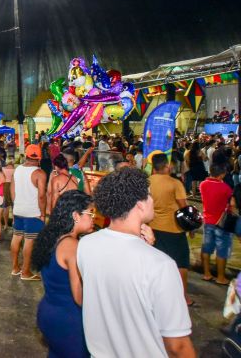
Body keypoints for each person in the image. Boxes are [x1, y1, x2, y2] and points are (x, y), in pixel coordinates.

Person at [77, 167, 195, 358]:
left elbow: (117, 293)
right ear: (140, 204)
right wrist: (148, 249)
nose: (152, 200)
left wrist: (146, 246)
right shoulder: (160, 265)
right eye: (149, 195)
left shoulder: (85, 245)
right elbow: (178, 346)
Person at [31, 190, 95, 358]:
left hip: (48, 311)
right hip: (69, 319)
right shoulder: (73, 247)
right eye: (91, 213)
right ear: (76, 215)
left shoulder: (52, 237)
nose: (94, 218)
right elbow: (79, 296)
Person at [148, 152, 193, 306]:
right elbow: (184, 207)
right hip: (173, 229)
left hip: (152, 227)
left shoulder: (147, 182)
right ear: (167, 166)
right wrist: (191, 228)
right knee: (181, 263)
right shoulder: (175, 183)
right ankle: (183, 296)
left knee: (155, 263)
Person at [10, 144, 47, 280]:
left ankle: (15, 268)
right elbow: (42, 196)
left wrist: (15, 206)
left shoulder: (18, 169)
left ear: (26, 155)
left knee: (16, 238)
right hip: (33, 212)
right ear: (39, 158)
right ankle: (25, 272)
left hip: (18, 209)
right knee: (29, 241)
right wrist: (42, 213)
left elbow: (12, 191)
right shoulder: (39, 173)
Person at [200, 162, 234, 285]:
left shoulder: (203, 184)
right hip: (221, 222)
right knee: (222, 250)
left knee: (206, 248)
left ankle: (207, 274)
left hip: (207, 220)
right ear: (221, 174)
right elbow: (232, 203)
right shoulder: (226, 188)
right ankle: (221, 277)